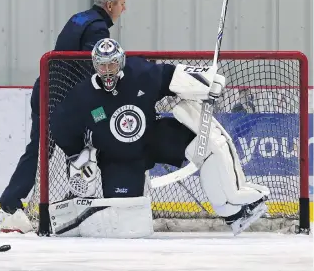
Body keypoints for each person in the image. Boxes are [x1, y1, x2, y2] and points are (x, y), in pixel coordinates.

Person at [47, 38, 270, 238]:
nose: (107, 71)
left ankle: (233, 209)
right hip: (118, 158)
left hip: (154, 137)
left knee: (208, 145)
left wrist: (205, 81)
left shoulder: (140, 73)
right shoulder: (82, 96)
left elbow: (173, 76)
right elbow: (60, 127)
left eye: (112, 64)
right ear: (95, 66)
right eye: (102, 65)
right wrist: (77, 154)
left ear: (121, 62)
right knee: (126, 219)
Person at [0, 0, 126, 233]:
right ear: (110, 5)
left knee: (63, 147)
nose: (125, 7)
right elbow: (95, 67)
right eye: (122, 3)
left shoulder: (80, 18)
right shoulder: (98, 29)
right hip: (59, 99)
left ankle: (71, 201)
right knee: (47, 149)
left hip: (50, 92)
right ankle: (11, 205)